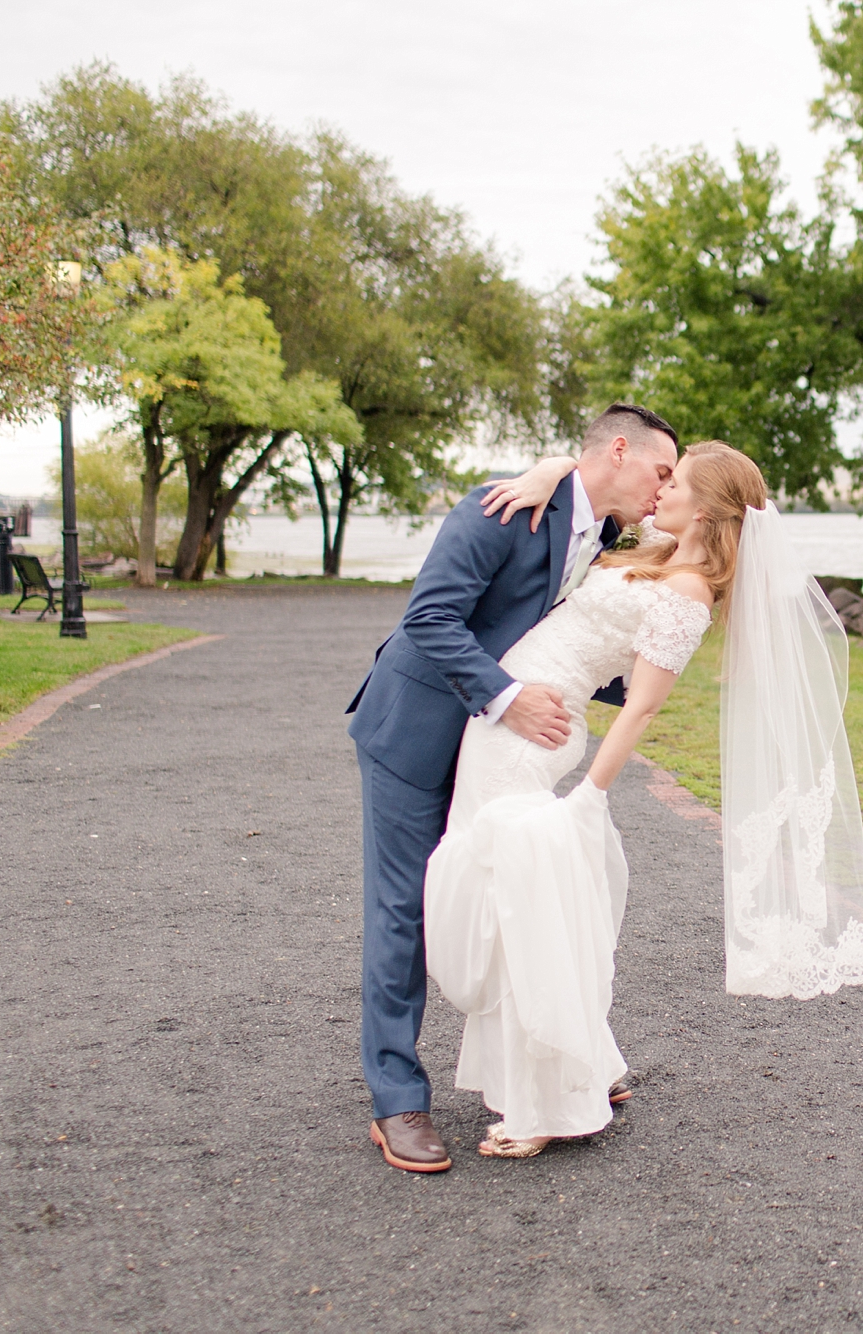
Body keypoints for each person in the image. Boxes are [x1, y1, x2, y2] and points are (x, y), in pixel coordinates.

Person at [424, 442, 863, 1158]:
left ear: (702, 508)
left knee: (517, 911)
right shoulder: (658, 547)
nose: (660, 488)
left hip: (529, 733)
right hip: (505, 722)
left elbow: (639, 708)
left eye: (675, 481)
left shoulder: (689, 590)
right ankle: (586, 1067)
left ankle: (544, 1103)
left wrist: (590, 797)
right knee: (512, 902)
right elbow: (589, 511)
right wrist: (549, 472)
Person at [345, 404, 679, 1175]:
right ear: (620, 451)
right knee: (404, 909)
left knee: (518, 888)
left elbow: (561, 637)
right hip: (416, 734)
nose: (664, 491)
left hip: (494, 747)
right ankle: (398, 1101)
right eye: (661, 472)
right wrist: (505, 696)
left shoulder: (605, 531)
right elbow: (430, 618)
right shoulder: (500, 508)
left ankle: (571, 1057)